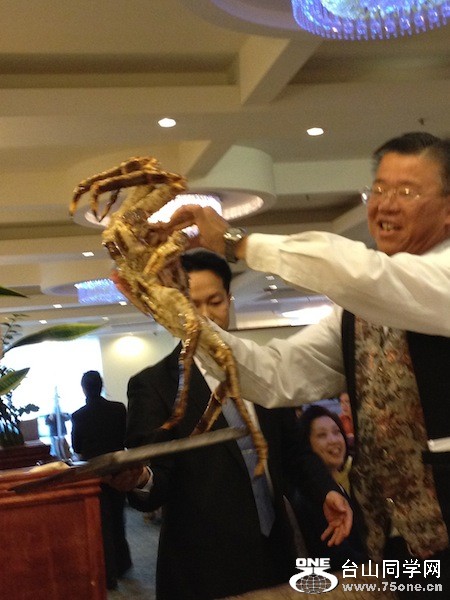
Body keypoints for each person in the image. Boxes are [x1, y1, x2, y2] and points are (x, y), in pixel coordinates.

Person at [155, 131, 450, 599]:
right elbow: (277, 372)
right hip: (397, 539)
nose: (386, 204)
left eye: (407, 191)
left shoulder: (435, 277)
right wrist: (179, 315)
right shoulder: (356, 314)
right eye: (379, 189)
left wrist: (237, 242)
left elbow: (368, 275)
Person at [110, 249, 351, 600]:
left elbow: (295, 452)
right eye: (192, 306)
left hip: (278, 555)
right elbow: (155, 477)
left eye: (215, 302)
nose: (206, 317)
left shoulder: (263, 369)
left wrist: (325, 490)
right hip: (203, 569)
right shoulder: (154, 385)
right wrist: (140, 478)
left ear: (229, 299)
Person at [71, 370, 132, 590]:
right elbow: (126, 437)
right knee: (117, 518)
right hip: (117, 469)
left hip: (94, 474)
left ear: (83, 389)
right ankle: (123, 564)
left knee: (101, 523)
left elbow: (77, 447)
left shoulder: (78, 416)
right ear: (102, 385)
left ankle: (109, 573)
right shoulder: (119, 409)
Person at [292, 404, 367, 571]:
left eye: (336, 432)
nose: (333, 440)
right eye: (322, 435)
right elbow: (339, 557)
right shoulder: (314, 497)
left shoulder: (339, 487)